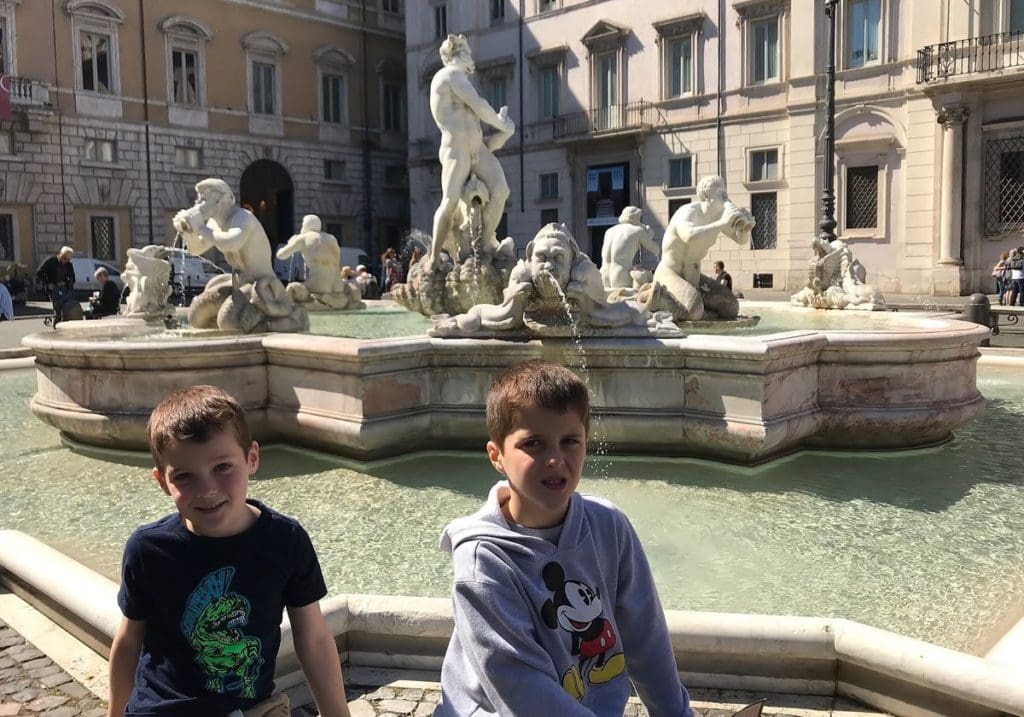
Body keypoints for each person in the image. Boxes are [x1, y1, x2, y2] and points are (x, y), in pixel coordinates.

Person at [434, 360, 692, 717]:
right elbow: (519, 684)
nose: (555, 459)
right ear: (497, 456)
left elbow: (646, 637)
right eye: (534, 444)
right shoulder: (482, 560)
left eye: (570, 441)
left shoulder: (609, 526)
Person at [107, 385, 351, 717]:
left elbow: (314, 639)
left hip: (251, 707)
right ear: (163, 482)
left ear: (251, 458)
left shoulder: (285, 540)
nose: (207, 490)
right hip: (164, 709)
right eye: (185, 476)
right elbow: (128, 641)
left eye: (222, 467)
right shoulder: (148, 549)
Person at [428, 34, 515, 270]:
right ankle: (434, 257)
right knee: (449, 202)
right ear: (460, 54)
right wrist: (500, 122)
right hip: (456, 148)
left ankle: (484, 243)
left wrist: (505, 134)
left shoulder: (460, 80)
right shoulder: (450, 75)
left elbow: (484, 137)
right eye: (468, 53)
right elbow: (480, 105)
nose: (472, 61)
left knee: (500, 190)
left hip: (478, 148)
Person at [643, 176, 753, 322]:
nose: (726, 198)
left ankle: (696, 303)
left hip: (694, 276)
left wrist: (744, 229)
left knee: (731, 307)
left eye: (726, 194)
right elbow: (689, 235)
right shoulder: (688, 212)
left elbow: (741, 241)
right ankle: (654, 297)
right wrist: (722, 222)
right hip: (670, 273)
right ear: (705, 196)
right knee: (693, 311)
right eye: (721, 194)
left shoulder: (718, 217)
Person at [36, 246, 76, 326]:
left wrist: (68, 283)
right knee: (58, 309)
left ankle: (65, 326)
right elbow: (39, 272)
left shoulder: (69, 265)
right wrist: (48, 283)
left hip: (65, 289)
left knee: (68, 308)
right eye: (64, 258)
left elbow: (73, 278)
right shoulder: (50, 261)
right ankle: (56, 326)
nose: (66, 261)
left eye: (68, 259)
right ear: (60, 254)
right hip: (53, 288)